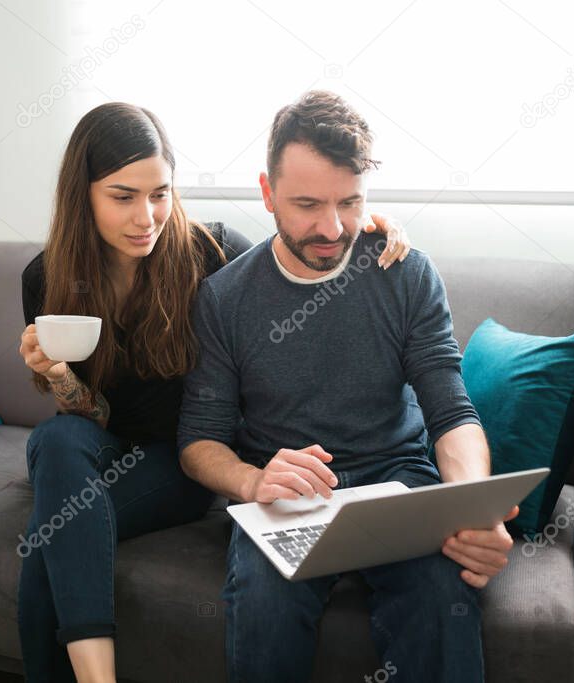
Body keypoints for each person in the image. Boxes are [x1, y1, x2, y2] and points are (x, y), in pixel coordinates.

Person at [16, 101, 413, 683]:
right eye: (123, 196)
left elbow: (296, 270)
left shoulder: (212, 252)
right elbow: (92, 415)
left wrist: (368, 232)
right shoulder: (46, 278)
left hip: (181, 465)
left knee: (42, 545)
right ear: (84, 195)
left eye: (160, 193)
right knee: (56, 438)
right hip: (92, 455)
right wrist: (55, 376)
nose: (146, 216)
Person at [177, 90, 518, 683]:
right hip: (286, 496)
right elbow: (197, 442)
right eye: (307, 204)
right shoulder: (225, 298)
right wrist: (255, 480)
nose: (332, 228)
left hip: (400, 479)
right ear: (266, 192)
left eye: (350, 203)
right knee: (263, 606)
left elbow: (451, 410)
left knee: (444, 596)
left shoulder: (405, 271)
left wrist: (471, 506)